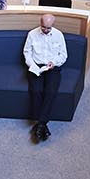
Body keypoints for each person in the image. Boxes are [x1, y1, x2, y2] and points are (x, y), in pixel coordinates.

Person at [23, 13, 68, 143]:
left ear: (53, 25)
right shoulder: (32, 34)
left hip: (52, 67)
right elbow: (27, 53)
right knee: (35, 90)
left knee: (51, 91)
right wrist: (32, 65)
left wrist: (54, 62)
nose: (46, 30)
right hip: (36, 66)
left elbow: (63, 55)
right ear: (40, 23)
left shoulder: (59, 35)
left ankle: (41, 123)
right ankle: (42, 124)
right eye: (44, 27)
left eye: (48, 28)